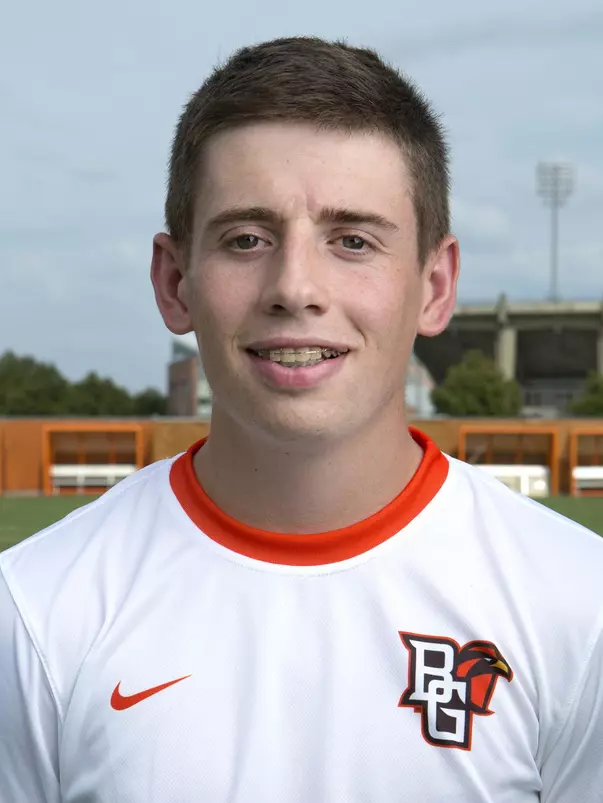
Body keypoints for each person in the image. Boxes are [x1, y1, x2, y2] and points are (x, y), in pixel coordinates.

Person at [1, 36, 602, 803]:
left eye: (352, 240)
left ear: (434, 284)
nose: (295, 287)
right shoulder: (35, 609)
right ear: (174, 280)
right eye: (246, 239)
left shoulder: (578, 608)